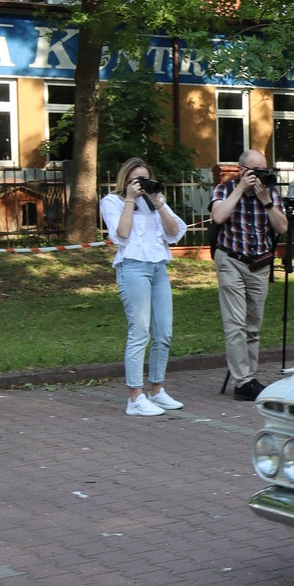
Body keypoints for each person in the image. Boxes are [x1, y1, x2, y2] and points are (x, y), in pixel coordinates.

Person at [99, 158, 188, 416]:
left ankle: (157, 390)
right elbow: (122, 234)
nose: (141, 184)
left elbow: (174, 232)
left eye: (145, 179)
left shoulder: (154, 202)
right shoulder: (112, 201)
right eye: (136, 179)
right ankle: (135, 397)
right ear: (126, 180)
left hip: (158, 267)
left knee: (164, 332)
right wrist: (130, 199)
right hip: (133, 268)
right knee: (140, 331)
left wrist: (158, 202)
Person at [209, 149, 288, 398]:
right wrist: (241, 189)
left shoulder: (270, 193)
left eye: (264, 169)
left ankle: (249, 378)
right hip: (231, 260)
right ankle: (242, 381)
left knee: (253, 326)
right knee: (235, 325)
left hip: (259, 264)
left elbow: (282, 227)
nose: (261, 175)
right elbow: (219, 216)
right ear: (241, 170)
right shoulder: (224, 189)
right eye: (256, 170)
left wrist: (266, 200)